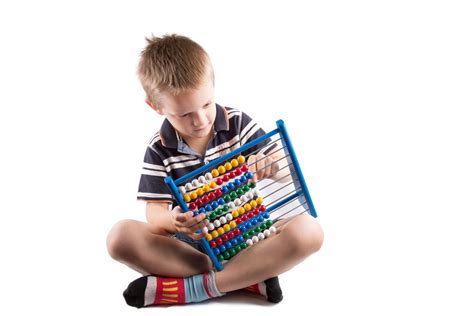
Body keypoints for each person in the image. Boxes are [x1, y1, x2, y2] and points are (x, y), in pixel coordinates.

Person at [106, 34, 324, 307]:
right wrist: (173, 221)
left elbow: (283, 168)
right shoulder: (159, 148)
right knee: (119, 238)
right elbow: (154, 212)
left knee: (310, 232)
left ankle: (202, 288)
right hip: (191, 249)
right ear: (156, 107)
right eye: (184, 114)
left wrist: (271, 164)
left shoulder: (237, 123)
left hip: (250, 238)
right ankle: (249, 278)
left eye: (206, 104)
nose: (200, 120)